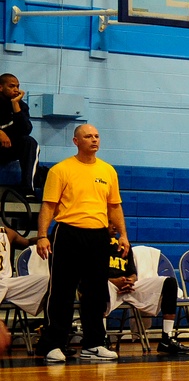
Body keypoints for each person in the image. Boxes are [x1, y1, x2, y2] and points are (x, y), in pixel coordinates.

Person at [35, 124, 127, 363]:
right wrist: (42, 235)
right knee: (62, 292)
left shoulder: (108, 171)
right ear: (76, 141)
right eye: (88, 136)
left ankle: (94, 344)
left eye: (97, 135)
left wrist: (123, 235)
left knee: (96, 292)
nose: (94, 140)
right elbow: (48, 205)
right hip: (68, 234)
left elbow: (114, 206)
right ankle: (53, 343)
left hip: (98, 236)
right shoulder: (61, 170)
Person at [105, 229, 189, 355]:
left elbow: (132, 271)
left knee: (169, 283)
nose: (115, 227)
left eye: (115, 223)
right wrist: (113, 281)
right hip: (109, 285)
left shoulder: (123, 244)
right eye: (111, 222)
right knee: (99, 285)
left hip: (128, 287)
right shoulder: (95, 244)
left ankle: (166, 339)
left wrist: (131, 280)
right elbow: (89, 275)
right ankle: (101, 339)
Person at [0, 73, 41, 197]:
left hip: (8, 148)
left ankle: (28, 190)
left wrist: (15, 106)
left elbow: (26, 130)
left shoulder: (21, 105)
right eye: (12, 86)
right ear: (1, 87)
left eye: (18, 86)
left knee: (29, 142)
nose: (16, 90)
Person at [0, 225, 48, 322]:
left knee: (48, 280)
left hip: (7, 285)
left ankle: (50, 328)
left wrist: (43, 239)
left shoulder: (7, 232)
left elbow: (28, 242)